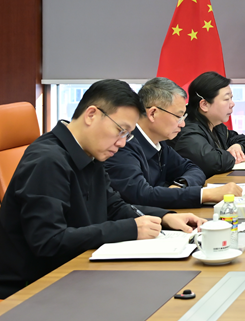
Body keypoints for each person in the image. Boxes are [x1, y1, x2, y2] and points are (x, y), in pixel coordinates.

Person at [0, 80, 203, 299]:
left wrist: (165, 218)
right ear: (91, 115)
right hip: (33, 288)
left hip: (78, 270)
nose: (122, 143)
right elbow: (49, 241)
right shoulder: (47, 161)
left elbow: (114, 206)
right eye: (120, 131)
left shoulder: (90, 152)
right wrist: (130, 229)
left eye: (127, 135)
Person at [105, 77, 243, 209]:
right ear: (152, 113)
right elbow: (142, 195)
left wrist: (180, 185)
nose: (182, 124)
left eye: (183, 117)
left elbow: (194, 169)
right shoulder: (122, 146)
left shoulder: (161, 144)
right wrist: (205, 195)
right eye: (178, 116)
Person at [168, 71, 245, 177]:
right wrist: (234, 156)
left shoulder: (216, 126)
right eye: (226, 99)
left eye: (231, 98)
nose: (232, 104)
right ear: (204, 105)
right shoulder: (186, 130)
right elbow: (212, 162)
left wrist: (238, 147)